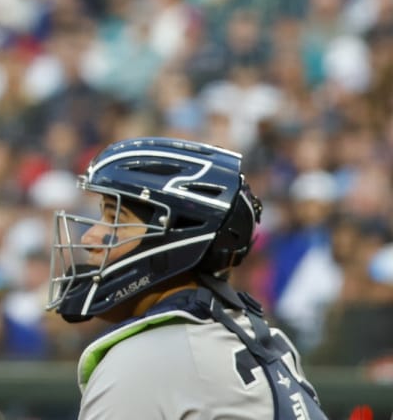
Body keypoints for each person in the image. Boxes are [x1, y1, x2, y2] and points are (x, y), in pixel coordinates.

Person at [47, 137, 327, 420]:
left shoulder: (141, 363)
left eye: (116, 217)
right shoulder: (264, 338)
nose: (89, 237)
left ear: (175, 236)